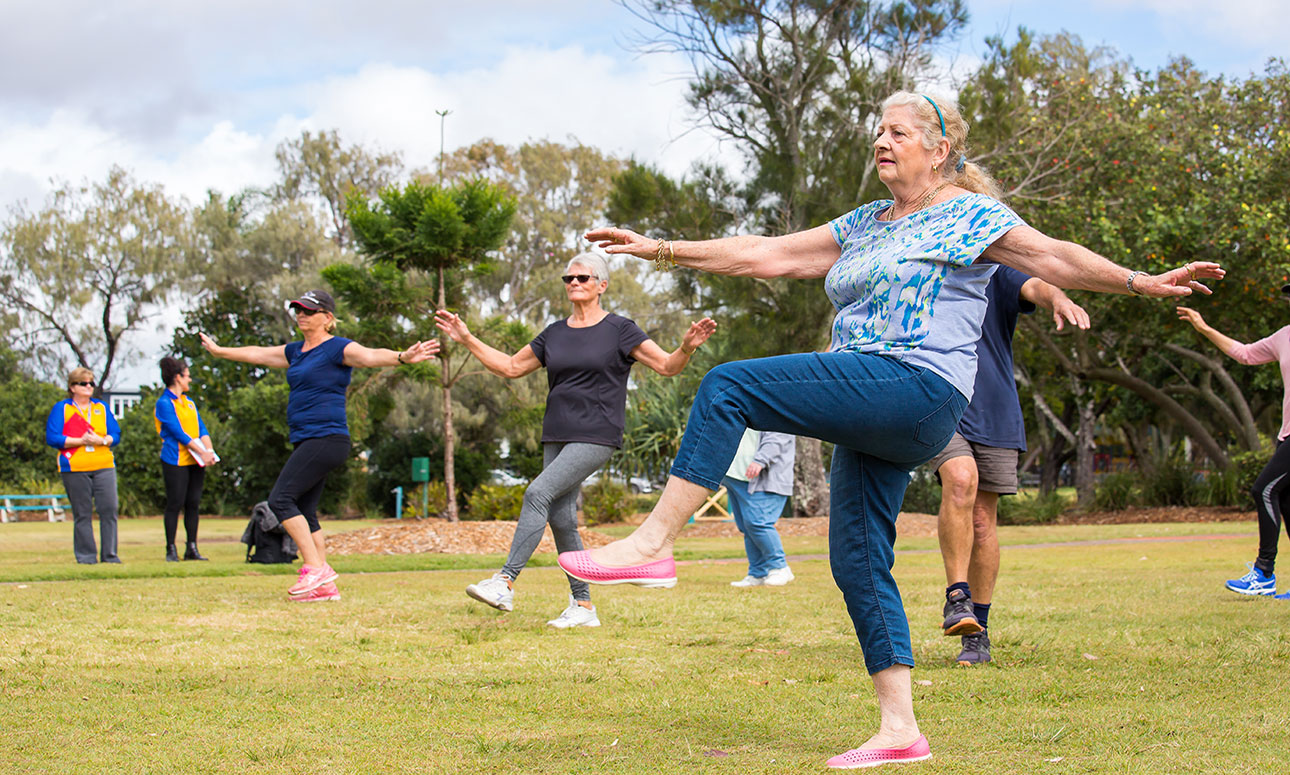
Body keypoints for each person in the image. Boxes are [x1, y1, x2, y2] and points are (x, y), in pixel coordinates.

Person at [560, 91, 1222, 768]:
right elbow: (765, 253)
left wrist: (1141, 281)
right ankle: (900, 728)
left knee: (730, 384)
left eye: (899, 132)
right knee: (856, 557)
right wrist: (661, 249)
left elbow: (1053, 258)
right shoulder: (866, 223)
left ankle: (652, 543)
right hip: (871, 396)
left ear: (939, 150)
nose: (881, 140)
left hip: (917, 387)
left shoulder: (968, 214)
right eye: (879, 130)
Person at [436, 251, 716, 628]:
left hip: (596, 433)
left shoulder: (620, 329)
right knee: (561, 517)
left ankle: (504, 581)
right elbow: (511, 367)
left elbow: (667, 366)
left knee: (537, 493)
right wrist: (467, 337)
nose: (574, 283)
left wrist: (686, 347)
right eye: (568, 279)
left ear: (602, 285)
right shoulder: (554, 333)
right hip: (557, 432)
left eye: (582, 278)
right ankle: (583, 606)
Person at [200, 289, 438, 601]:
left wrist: (402, 357)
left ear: (327, 318)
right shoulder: (295, 351)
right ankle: (324, 587)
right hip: (306, 440)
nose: (301, 315)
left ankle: (315, 568)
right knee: (306, 511)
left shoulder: (337, 348)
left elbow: (368, 356)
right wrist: (220, 352)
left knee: (280, 500)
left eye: (309, 311)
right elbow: (258, 353)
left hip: (327, 438)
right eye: (298, 310)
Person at [928, 269, 1089, 666]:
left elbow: (1035, 285)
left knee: (983, 522)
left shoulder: (995, 270)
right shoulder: (926, 266)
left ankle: (976, 633)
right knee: (959, 479)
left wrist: (1058, 298)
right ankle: (957, 597)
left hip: (995, 410)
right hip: (941, 402)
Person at [1178, 300, 1290, 601]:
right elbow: (1246, 353)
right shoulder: (1285, 336)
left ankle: (1264, 573)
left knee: (1264, 489)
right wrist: (1204, 328)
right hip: (1286, 435)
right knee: (1285, 500)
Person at [45, 368, 122, 564]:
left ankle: (110, 555)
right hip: (75, 466)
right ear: (72, 387)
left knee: (109, 509)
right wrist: (80, 441)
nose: (88, 387)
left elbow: (115, 434)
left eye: (91, 383)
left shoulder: (101, 407)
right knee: (82, 513)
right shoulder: (62, 408)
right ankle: (86, 557)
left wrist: (101, 440)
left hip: (103, 464)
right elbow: (53, 437)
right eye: (83, 383)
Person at [155, 356, 217, 562]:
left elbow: (201, 428)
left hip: (195, 460)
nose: (190, 379)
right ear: (177, 377)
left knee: (193, 503)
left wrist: (209, 451)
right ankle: (170, 548)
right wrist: (201, 451)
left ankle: (192, 547)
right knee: (175, 502)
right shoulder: (164, 403)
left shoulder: (189, 403)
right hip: (175, 459)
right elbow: (178, 433)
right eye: (187, 376)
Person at [725, 428, 796, 588]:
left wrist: (760, 460)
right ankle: (758, 573)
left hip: (764, 478)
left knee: (758, 524)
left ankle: (780, 567)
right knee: (747, 528)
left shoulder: (778, 412)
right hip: (737, 477)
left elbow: (777, 436)